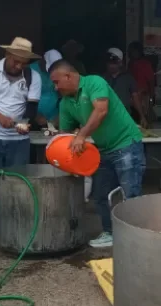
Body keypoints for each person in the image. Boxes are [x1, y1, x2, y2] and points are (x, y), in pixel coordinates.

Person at [49, 59, 146, 249]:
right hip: (103, 150)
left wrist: (82, 135)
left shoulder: (94, 82)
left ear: (68, 76)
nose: (55, 87)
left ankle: (136, 237)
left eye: (56, 82)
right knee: (101, 195)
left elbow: (101, 110)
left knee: (130, 193)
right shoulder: (66, 103)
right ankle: (110, 233)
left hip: (126, 143)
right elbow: (65, 137)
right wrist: (67, 161)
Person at [0, 37, 42, 230]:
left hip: (18, 140)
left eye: (23, 62)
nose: (18, 65)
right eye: (15, 61)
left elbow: (32, 107)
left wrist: (25, 122)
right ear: (7, 54)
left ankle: (15, 221)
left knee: (17, 181)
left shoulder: (32, 76)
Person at [103, 48, 147, 127]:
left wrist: (142, 116)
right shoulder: (103, 79)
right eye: (109, 63)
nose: (111, 65)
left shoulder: (128, 78)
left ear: (120, 63)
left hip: (124, 116)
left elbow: (135, 97)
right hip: (106, 117)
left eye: (114, 63)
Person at [31, 49, 62, 128]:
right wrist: (34, 114)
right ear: (43, 59)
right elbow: (22, 96)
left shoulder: (59, 72)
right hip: (34, 118)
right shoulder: (30, 70)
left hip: (54, 117)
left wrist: (62, 114)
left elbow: (62, 94)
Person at [127, 42, 155, 121]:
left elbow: (151, 82)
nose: (134, 53)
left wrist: (151, 100)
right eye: (132, 51)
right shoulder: (130, 64)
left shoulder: (145, 64)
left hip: (143, 97)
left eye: (136, 51)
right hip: (132, 97)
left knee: (143, 120)